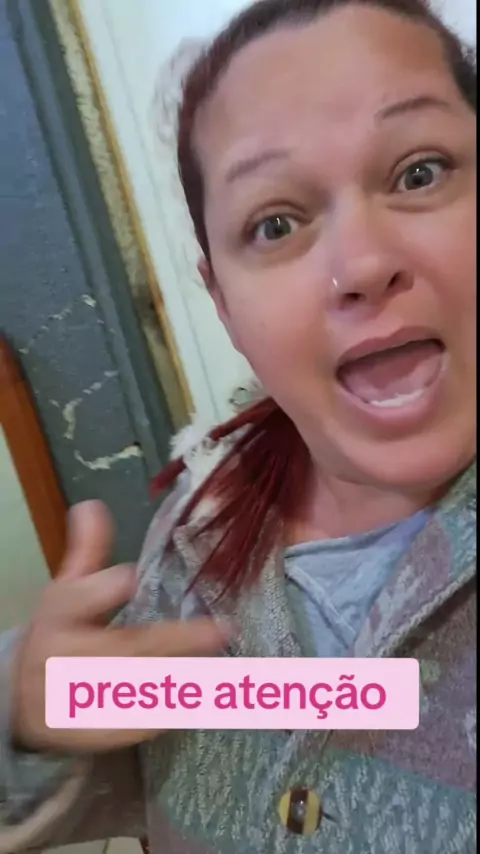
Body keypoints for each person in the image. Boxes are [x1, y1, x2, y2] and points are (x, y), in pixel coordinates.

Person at [0, 0, 476, 851]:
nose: (364, 264)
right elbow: (173, 740)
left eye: (419, 173)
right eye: (276, 224)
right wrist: (28, 710)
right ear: (222, 303)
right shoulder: (202, 530)